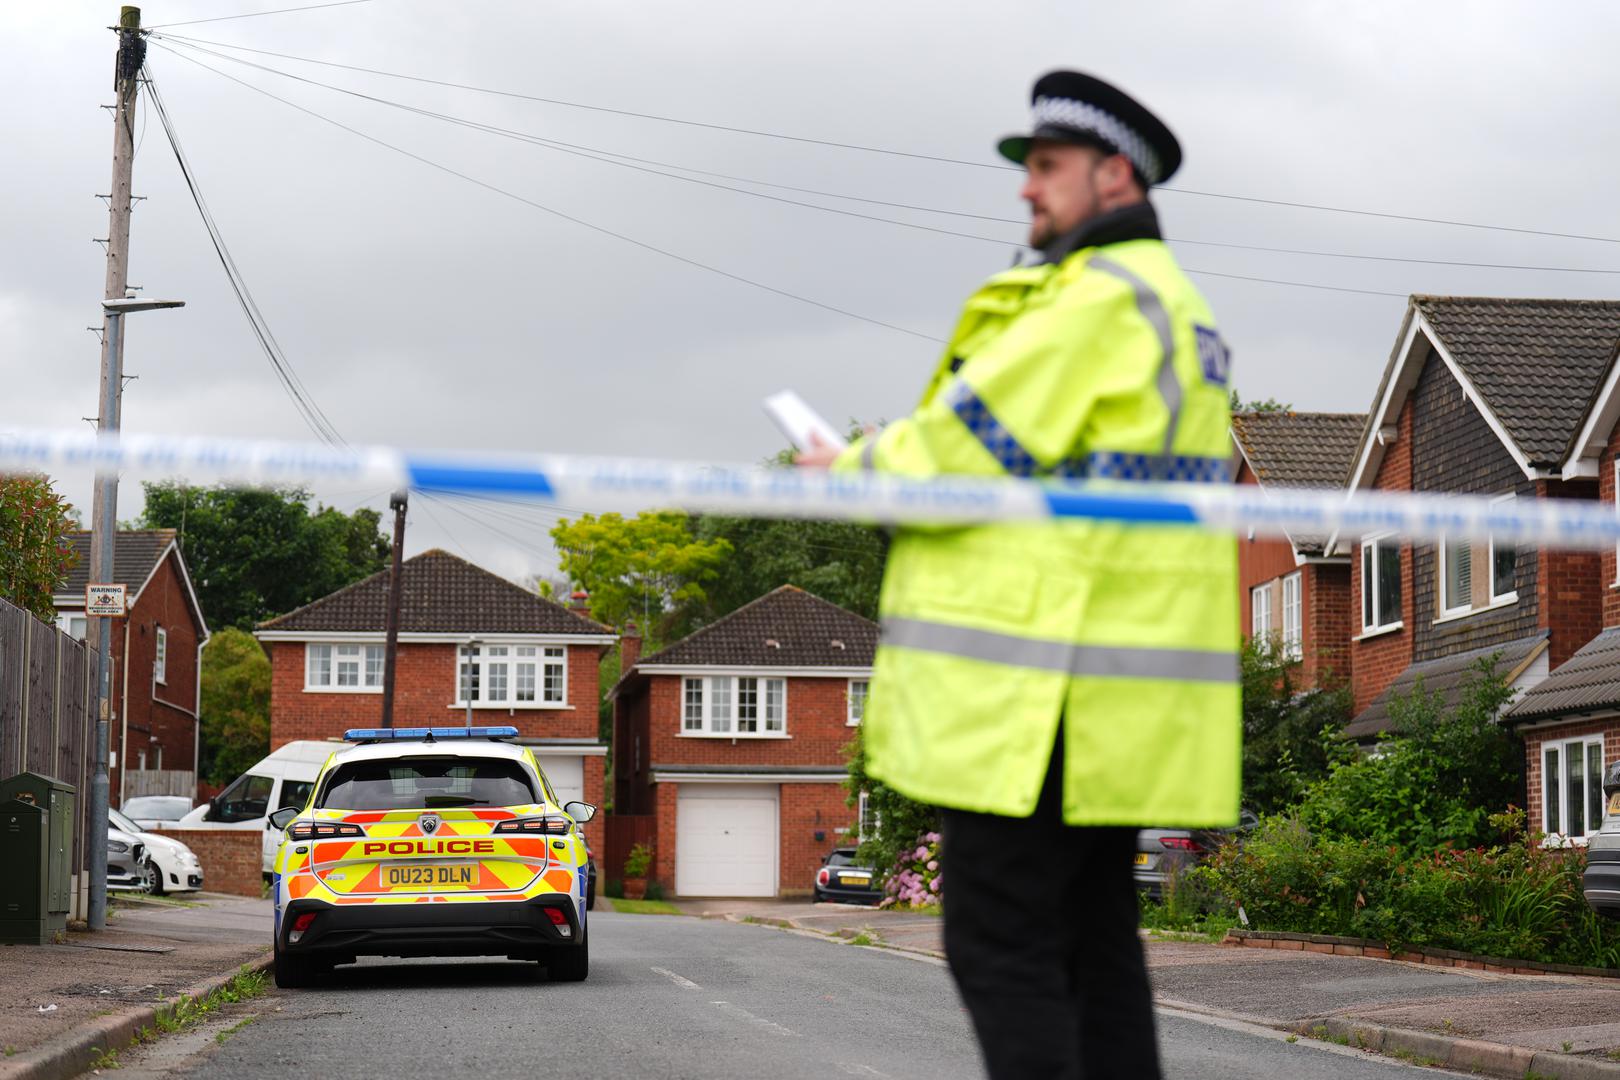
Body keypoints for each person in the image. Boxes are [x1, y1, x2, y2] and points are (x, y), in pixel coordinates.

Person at [797, 71, 1240, 1078]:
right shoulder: (1177, 307)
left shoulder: (1093, 302)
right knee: (1095, 949)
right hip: (1116, 694)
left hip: (1040, 694)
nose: (1026, 190)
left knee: (999, 943)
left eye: (1046, 168)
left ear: (1113, 174)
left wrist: (847, 467)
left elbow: (960, 447)